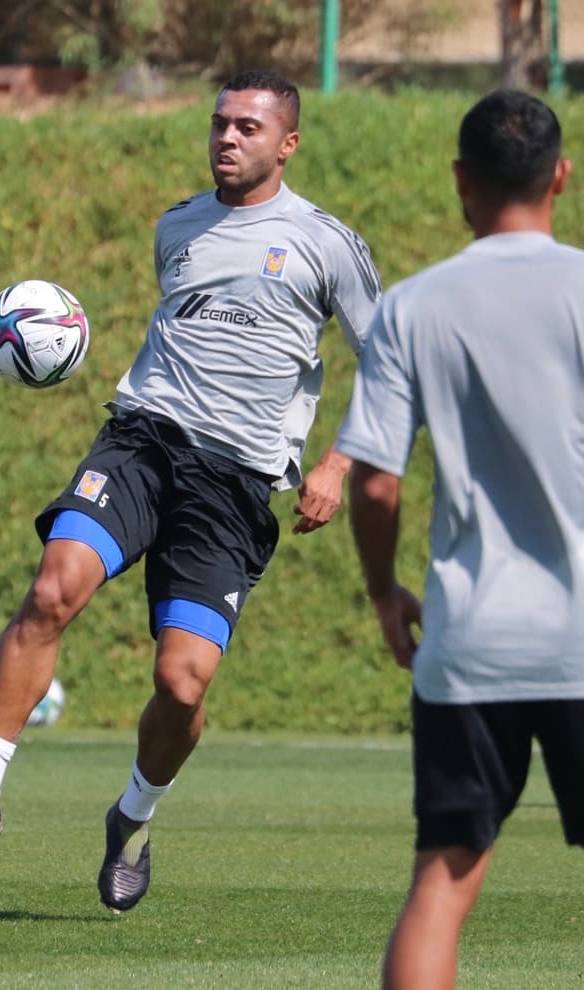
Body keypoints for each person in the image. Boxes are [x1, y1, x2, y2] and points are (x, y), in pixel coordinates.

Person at [0, 69, 382, 913]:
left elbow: (391, 363)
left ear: (287, 144)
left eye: (248, 127)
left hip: (236, 486)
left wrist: (338, 463)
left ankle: (133, 817)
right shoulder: (177, 226)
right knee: (52, 587)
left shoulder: (326, 242)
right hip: (141, 441)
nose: (227, 138)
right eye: (219, 123)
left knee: (183, 684)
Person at [336, 89, 584, 990]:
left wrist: (381, 591)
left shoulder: (412, 308)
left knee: (442, 882)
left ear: (459, 181)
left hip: (471, 642)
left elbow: (374, 480)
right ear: (561, 174)